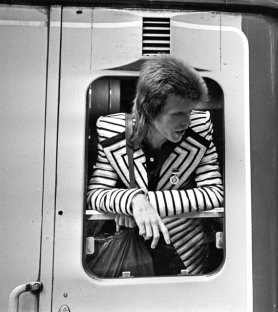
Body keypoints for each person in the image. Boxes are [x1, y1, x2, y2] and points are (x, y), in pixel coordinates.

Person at [87, 55, 224, 275]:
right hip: (129, 258)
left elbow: (214, 193)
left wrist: (141, 203)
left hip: (186, 252)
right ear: (150, 110)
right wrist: (131, 199)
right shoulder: (112, 132)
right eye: (178, 113)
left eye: (189, 111)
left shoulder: (200, 128)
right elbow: (95, 194)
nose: (188, 121)